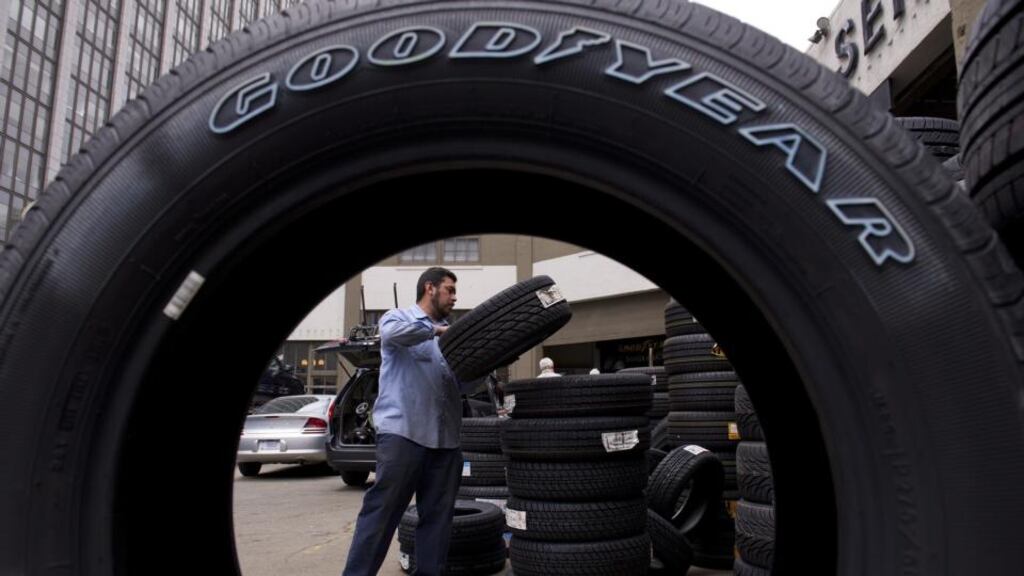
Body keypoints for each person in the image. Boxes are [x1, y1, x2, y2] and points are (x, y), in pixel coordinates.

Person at [342, 266, 472, 576]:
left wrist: (487, 359)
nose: (455, 297)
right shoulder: (398, 318)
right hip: (404, 435)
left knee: (438, 523)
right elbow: (391, 335)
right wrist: (435, 330)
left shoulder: (453, 338)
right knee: (381, 514)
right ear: (430, 288)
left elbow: (465, 385)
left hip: (445, 441)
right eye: (449, 290)